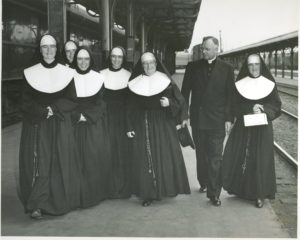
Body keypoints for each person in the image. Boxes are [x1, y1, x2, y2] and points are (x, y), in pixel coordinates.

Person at [19, 34, 81, 219]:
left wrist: (53, 109)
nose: (48, 51)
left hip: (59, 123)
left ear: (56, 49)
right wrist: (42, 111)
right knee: (40, 163)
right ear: (40, 49)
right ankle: (37, 204)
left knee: (59, 161)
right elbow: (24, 101)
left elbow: (72, 99)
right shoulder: (30, 72)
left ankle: (60, 201)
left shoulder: (66, 73)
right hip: (37, 123)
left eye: (52, 47)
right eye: (44, 47)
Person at [126, 52, 190, 207]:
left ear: (156, 63)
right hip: (143, 125)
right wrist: (129, 126)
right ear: (141, 66)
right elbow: (129, 108)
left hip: (163, 124)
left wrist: (170, 103)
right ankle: (149, 193)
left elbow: (180, 102)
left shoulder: (166, 81)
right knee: (145, 158)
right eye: (145, 63)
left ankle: (164, 189)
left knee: (164, 156)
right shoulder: (135, 83)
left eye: (151, 63)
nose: (148, 66)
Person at [222, 54, 281, 208]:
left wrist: (263, 109)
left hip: (262, 128)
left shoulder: (269, 84)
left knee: (260, 159)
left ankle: (259, 194)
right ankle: (241, 190)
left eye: (256, 64)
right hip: (244, 127)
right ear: (247, 67)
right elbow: (233, 105)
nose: (254, 68)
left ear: (261, 65)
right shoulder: (240, 84)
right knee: (242, 156)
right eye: (250, 65)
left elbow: (276, 105)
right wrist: (250, 108)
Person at [181, 36, 235, 206]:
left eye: (207, 49)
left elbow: (230, 96)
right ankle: (203, 182)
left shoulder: (227, 69)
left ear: (216, 49)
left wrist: (228, 119)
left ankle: (214, 193)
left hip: (217, 120)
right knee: (201, 154)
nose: (203, 51)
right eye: (203, 48)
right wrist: (183, 116)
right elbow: (184, 93)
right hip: (198, 119)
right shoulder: (193, 67)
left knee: (215, 157)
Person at [71, 47, 111, 208]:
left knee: (92, 158)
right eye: (79, 59)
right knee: (73, 160)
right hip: (73, 123)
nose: (83, 62)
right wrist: (76, 116)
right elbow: (65, 100)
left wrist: (86, 117)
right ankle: (76, 196)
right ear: (75, 60)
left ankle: (93, 195)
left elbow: (101, 102)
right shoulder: (68, 77)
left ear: (91, 60)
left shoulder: (98, 78)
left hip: (92, 123)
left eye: (86, 59)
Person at [101, 46, 132, 199]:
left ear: (123, 59)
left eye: (119, 57)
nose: (116, 60)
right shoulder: (101, 75)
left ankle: (123, 188)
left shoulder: (129, 76)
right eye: (114, 56)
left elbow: (131, 104)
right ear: (109, 57)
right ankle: (108, 189)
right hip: (105, 120)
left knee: (122, 153)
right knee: (107, 152)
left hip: (122, 121)